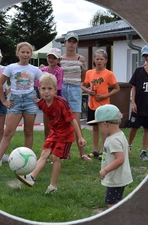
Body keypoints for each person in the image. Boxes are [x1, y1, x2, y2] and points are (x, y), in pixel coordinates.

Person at [16, 72, 87, 194]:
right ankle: (31, 177)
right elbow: (35, 101)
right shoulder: (42, 103)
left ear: (55, 90)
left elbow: (73, 120)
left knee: (55, 157)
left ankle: (53, 186)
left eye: (49, 89)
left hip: (65, 136)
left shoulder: (61, 103)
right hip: (53, 133)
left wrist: (80, 137)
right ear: (39, 89)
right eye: (43, 89)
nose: (46, 92)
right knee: (44, 154)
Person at [0, 42, 43, 167]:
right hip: (15, 102)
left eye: (28, 52)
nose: (25, 55)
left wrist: (41, 98)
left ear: (31, 54)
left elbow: (45, 83)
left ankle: (28, 161)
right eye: (23, 52)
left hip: (30, 102)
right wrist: (3, 101)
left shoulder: (35, 70)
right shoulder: (11, 68)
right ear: (17, 53)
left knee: (28, 131)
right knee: (8, 131)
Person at [86, 104, 133, 208]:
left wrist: (105, 170)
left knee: (110, 203)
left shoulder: (112, 140)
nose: (99, 128)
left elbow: (120, 159)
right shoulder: (120, 135)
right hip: (121, 177)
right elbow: (128, 151)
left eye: (98, 125)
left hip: (115, 179)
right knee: (118, 200)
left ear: (105, 124)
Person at [81, 49, 120, 160]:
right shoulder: (89, 73)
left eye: (101, 59)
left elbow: (117, 88)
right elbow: (83, 85)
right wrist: (88, 91)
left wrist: (105, 96)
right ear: (94, 60)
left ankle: (103, 151)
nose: (99, 61)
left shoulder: (109, 74)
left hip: (103, 106)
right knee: (94, 128)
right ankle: (95, 151)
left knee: (104, 129)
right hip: (92, 104)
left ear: (105, 61)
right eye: (97, 59)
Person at [60, 32, 91, 162]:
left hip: (75, 89)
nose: (71, 44)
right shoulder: (60, 59)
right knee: (62, 123)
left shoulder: (81, 59)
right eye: (69, 41)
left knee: (76, 123)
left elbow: (83, 77)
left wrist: (76, 85)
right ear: (65, 43)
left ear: (77, 44)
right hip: (62, 89)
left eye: (74, 41)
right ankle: (63, 153)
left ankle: (82, 153)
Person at [35, 47, 63, 139]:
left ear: (58, 60)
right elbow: (38, 85)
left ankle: (60, 147)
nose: (51, 60)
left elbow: (58, 87)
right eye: (49, 57)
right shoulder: (42, 70)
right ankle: (47, 146)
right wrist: (42, 99)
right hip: (45, 101)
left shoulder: (59, 70)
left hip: (56, 101)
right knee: (47, 127)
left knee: (58, 127)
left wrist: (49, 100)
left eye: (54, 58)